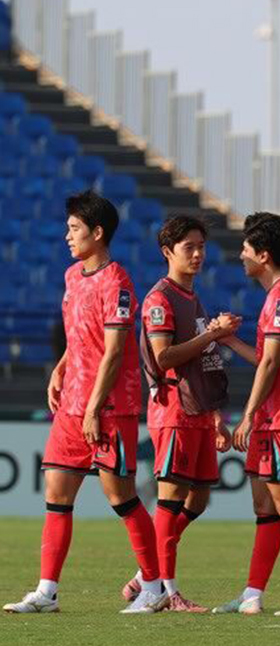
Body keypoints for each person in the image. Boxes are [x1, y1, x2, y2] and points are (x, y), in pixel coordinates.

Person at [5, 191, 164, 614]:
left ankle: (154, 587)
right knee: (57, 493)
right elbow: (81, 337)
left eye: (75, 229)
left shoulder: (118, 282)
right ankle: (47, 591)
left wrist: (95, 407)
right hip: (72, 405)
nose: (67, 236)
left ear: (98, 232)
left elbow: (113, 351)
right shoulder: (73, 276)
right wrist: (60, 367)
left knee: (121, 497)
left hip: (109, 407)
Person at [211, 212, 280, 615]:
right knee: (264, 505)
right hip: (271, 417)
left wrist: (248, 414)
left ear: (263, 254)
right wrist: (229, 339)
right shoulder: (276, 297)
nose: (240, 255)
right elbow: (264, 355)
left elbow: (272, 362)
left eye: (245, 249)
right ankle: (252, 594)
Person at [124, 216, 235, 612]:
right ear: (167, 252)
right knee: (170, 500)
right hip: (173, 410)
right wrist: (213, 334)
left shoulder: (192, 296)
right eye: (189, 247)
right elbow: (164, 355)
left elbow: (203, 358)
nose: (199, 254)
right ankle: (167, 592)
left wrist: (217, 414)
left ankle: (145, 573)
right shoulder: (160, 299)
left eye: (202, 246)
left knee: (200, 499)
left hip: (199, 411)